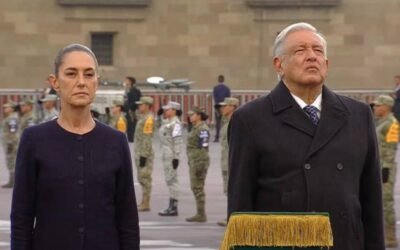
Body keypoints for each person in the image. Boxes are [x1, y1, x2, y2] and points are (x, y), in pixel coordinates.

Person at [228, 22, 384, 250]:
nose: (312, 56)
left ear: (327, 64)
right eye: (300, 50)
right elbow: (240, 205)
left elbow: (372, 199)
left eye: (318, 51)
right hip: (285, 244)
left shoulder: (358, 115)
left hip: (345, 242)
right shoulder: (250, 119)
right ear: (278, 64)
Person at [11, 43, 140, 250]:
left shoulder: (115, 141)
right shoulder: (34, 140)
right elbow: (22, 216)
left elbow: (127, 218)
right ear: (55, 82)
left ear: (97, 81)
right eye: (71, 74)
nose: (81, 82)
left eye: (89, 75)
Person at [373, 95, 399, 248]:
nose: (375, 108)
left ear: (387, 107)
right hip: (378, 166)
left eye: (378, 106)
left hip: (385, 168)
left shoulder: (392, 124)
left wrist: (386, 169)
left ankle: (390, 238)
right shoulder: (381, 122)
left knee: (387, 203)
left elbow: (391, 148)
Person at [216, 97, 239, 226]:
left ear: (232, 107)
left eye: (225, 106)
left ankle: (232, 217)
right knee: (227, 190)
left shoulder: (235, 122)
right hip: (225, 160)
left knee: (232, 190)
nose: (222, 108)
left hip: (231, 161)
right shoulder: (226, 121)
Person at [158, 101, 183, 216]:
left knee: (172, 180)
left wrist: (176, 157)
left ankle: (174, 206)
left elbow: (177, 141)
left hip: (171, 155)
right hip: (166, 154)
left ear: (174, 110)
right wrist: (159, 116)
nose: (165, 111)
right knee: (169, 179)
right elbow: (161, 129)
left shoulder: (176, 124)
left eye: (167, 110)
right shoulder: (168, 122)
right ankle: (171, 206)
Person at [185, 107, 210, 223]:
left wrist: (199, 164)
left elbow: (203, 147)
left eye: (193, 114)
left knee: (198, 187)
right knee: (195, 187)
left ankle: (201, 214)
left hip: (199, 161)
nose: (190, 117)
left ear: (199, 115)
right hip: (194, 160)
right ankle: (200, 213)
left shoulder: (202, 129)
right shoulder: (195, 128)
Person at [134, 96, 155, 212]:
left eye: (141, 105)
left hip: (144, 153)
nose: (139, 106)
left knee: (145, 178)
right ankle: (143, 201)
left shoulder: (148, 119)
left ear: (147, 106)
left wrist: (144, 155)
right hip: (140, 152)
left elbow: (147, 138)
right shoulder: (143, 117)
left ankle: (146, 202)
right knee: (141, 177)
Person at [1, 102, 19, 188]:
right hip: (8, 143)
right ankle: (11, 181)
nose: (5, 109)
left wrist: (11, 143)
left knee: (12, 161)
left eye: (7, 108)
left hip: (11, 143)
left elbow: (13, 132)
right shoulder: (9, 118)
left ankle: (12, 182)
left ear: (12, 109)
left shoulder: (12, 119)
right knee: (10, 161)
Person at [212, 74, 230, 142]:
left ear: (218, 79)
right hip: (225, 106)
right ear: (223, 80)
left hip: (218, 106)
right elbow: (228, 98)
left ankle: (217, 136)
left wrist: (218, 105)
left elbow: (215, 97)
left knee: (218, 122)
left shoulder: (215, 88)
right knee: (225, 122)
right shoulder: (227, 88)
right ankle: (226, 136)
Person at [124, 76, 142, 142]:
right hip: (128, 110)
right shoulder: (128, 90)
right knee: (129, 125)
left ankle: (132, 138)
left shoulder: (134, 91)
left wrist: (129, 108)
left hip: (132, 111)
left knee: (132, 125)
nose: (125, 82)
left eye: (126, 81)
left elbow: (135, 101)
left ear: (130, 82)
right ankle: (130, 138)